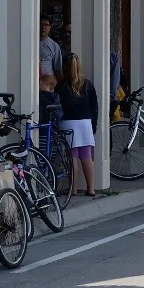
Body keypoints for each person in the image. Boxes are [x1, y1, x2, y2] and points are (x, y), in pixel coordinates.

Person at [57, 53, 101, 197]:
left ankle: (73, 189)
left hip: (69, 123)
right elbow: (95, 107)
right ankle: (91, 188)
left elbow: (59, 106)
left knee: (73, 158)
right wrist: (93, 124)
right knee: (87, 157)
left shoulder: (62, 86)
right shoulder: (87, 84)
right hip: (85, 124)